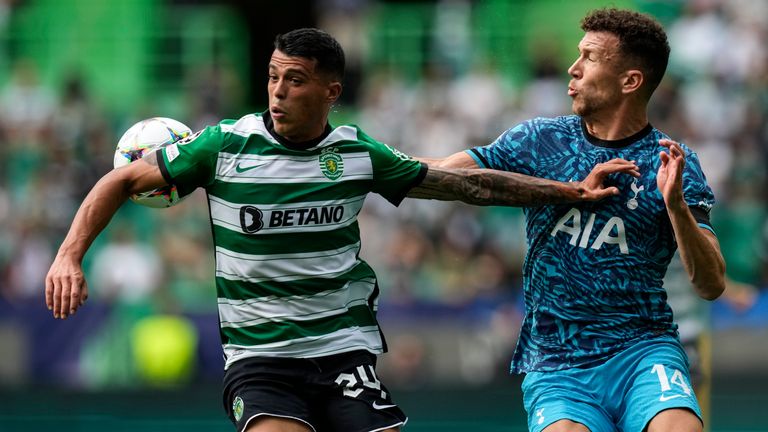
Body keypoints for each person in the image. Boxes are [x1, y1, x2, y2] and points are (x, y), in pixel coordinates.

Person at [44, 28, 639, 432]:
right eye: (274, 77)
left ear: (331, 91)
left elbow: (469, 185)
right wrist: (69, 257)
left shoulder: (357, 155)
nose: (279, 91)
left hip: (341, 356)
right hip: (261, 358)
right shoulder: (223, 146)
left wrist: (572, 192)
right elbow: (117, 182)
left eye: (295, 80)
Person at [423, 8, 726, 432]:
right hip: (557, 362)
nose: (573, 67)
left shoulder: (673, 162)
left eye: (590, 57)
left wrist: (675, 207)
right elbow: (442, 174)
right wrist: (364, 164)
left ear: (630, 81)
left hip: (643, 349)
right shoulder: (538, 141)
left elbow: (711, 284)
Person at [664, 252, 757, 431]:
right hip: (659, 332)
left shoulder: (691, 226)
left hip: (686, 329)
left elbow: (704, 269)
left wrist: (733, 292)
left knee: (688, 405)